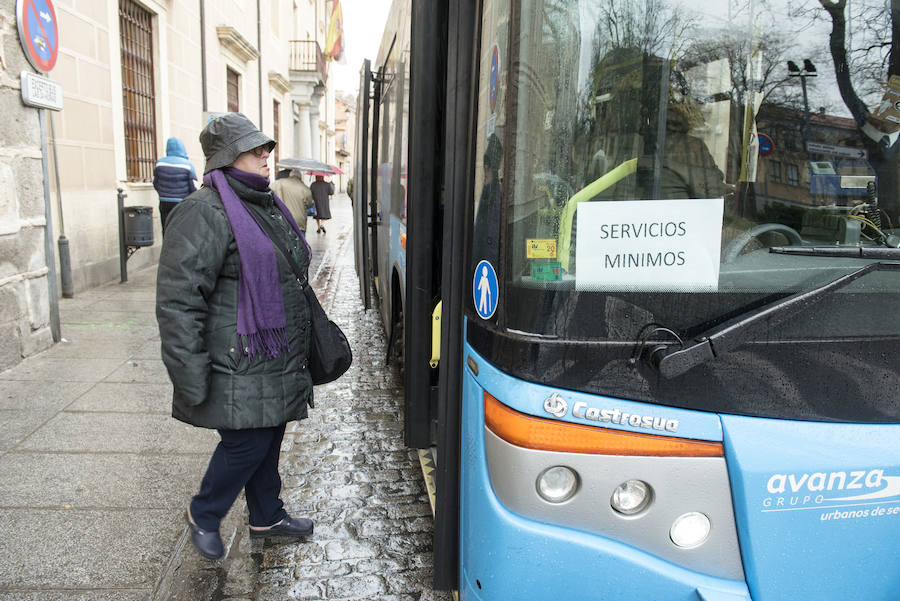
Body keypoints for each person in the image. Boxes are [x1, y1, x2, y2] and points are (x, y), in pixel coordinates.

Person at [156, 112, 315, 561]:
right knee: (247, 444)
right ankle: (205, 513)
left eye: (266, 149)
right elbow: (178, 301)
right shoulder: (202, 212)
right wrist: (189, 373)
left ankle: (267, 516)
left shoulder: (263, 205)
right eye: (255, 151)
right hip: (235, 359)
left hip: (274, 354)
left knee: (268, 439)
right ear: (228, 159)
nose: (267, 157)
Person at [152, 137, 197, 235]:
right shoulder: (188, 165)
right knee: (181, 230)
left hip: (164, 201)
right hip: (181, 202)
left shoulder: (160, 163)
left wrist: (163, 194)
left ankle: (166, 248)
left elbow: (155, 182)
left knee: (166, 228)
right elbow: (193, 186)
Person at [271, 168, 315, 232]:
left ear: (290, 175)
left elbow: (269, 190)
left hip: (284, 219)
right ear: (300, 177)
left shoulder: (279, 183)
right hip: (299, 222)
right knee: (300, 240)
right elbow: (310, 204)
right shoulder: (305, 189)